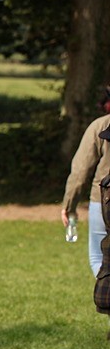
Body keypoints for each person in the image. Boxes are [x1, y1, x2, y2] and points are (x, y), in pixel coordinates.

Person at [61, 112, 110, 281]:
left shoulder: (101, 125)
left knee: (98, 258)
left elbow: (80, 171)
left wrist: (69, 206)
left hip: (103, 200)